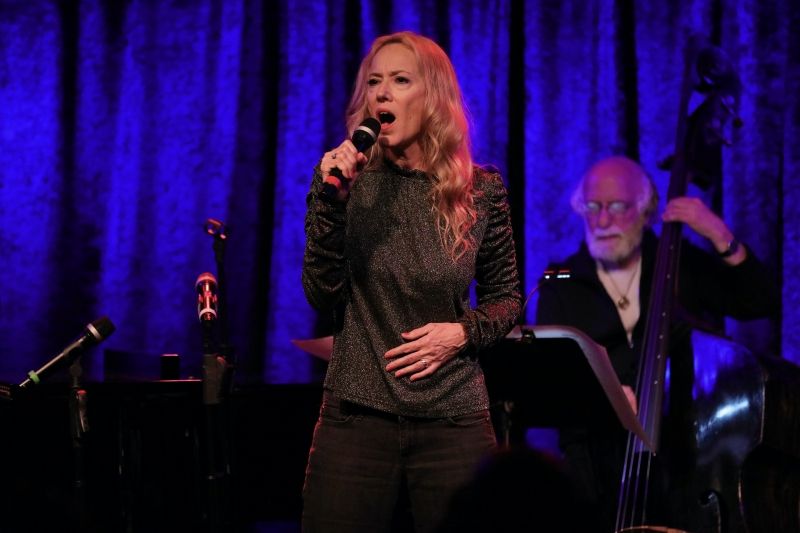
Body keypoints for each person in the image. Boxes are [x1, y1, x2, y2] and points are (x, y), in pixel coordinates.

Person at [301, 31, 521, 533]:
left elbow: (506, 298)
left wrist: (461, 334)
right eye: (374, 82)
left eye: (400, 81)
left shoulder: (480, 191)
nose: (382, 93)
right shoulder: (347, 181)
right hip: (357, 417)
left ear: (433, 97)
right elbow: (320, 293)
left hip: (452, 418)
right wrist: (331, 206)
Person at [535, 155, 779, 531]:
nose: (602, 221)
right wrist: (604, 398)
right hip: (596, 477)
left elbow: (760, 300)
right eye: (592, 207)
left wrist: (717, 233)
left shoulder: (678, 264)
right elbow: (550, 384)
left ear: (646, 210)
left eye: (618, 207)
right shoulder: (560, 284)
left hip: (687, 463)